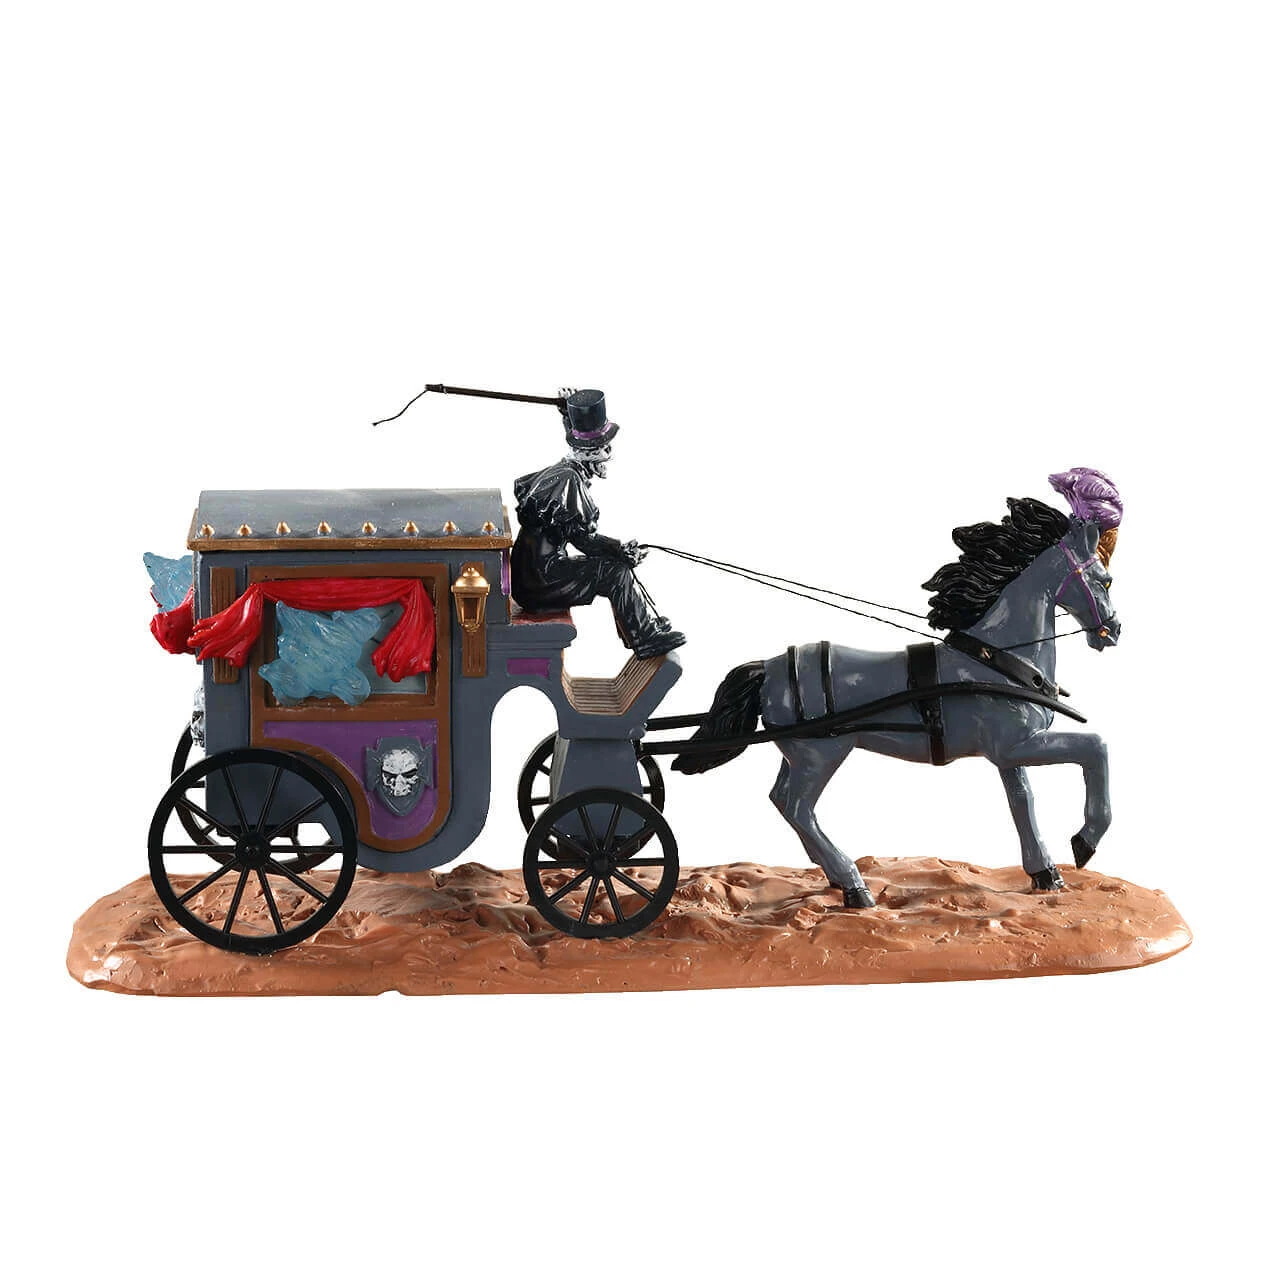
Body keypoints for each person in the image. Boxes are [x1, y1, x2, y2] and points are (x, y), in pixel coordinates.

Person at [510, 389, 685, 659]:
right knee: (615, 572)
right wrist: (620, 550)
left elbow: (578, 442)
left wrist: (570, 415)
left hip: (533, 576)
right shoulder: (568, 480)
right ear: (589, 454)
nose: (608, 456)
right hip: (540, 581)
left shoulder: (566, 471)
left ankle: (644, 627)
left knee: (614, 566)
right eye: (604, 449)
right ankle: (645, 638)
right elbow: (585, 543)